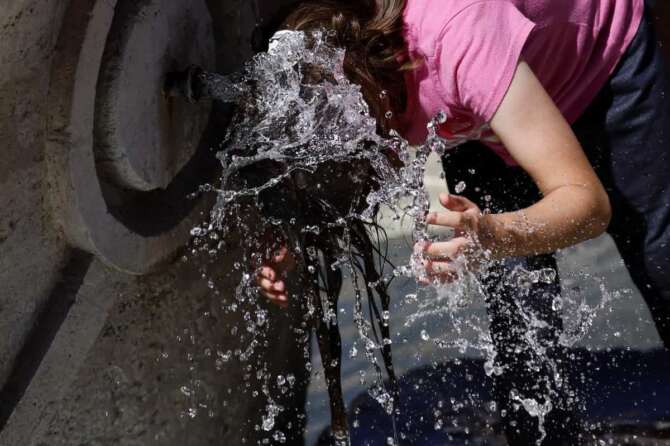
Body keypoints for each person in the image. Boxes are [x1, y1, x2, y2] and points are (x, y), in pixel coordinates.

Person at [256, 0, 670, 444]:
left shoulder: (455, 39)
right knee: (519, 329)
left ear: (375, 98)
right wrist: (295, 234)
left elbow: (589, 206)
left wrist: (493, 234)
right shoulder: (344, 69)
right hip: (488, 104)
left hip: (594, 63)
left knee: (661, 259)